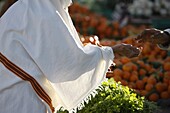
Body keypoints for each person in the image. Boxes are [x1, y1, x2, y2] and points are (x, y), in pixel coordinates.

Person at [0, 0, 141, 113]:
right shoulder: (44, 14)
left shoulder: (27, 6)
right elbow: (67, 67)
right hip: (19, 98)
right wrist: (112, 51)